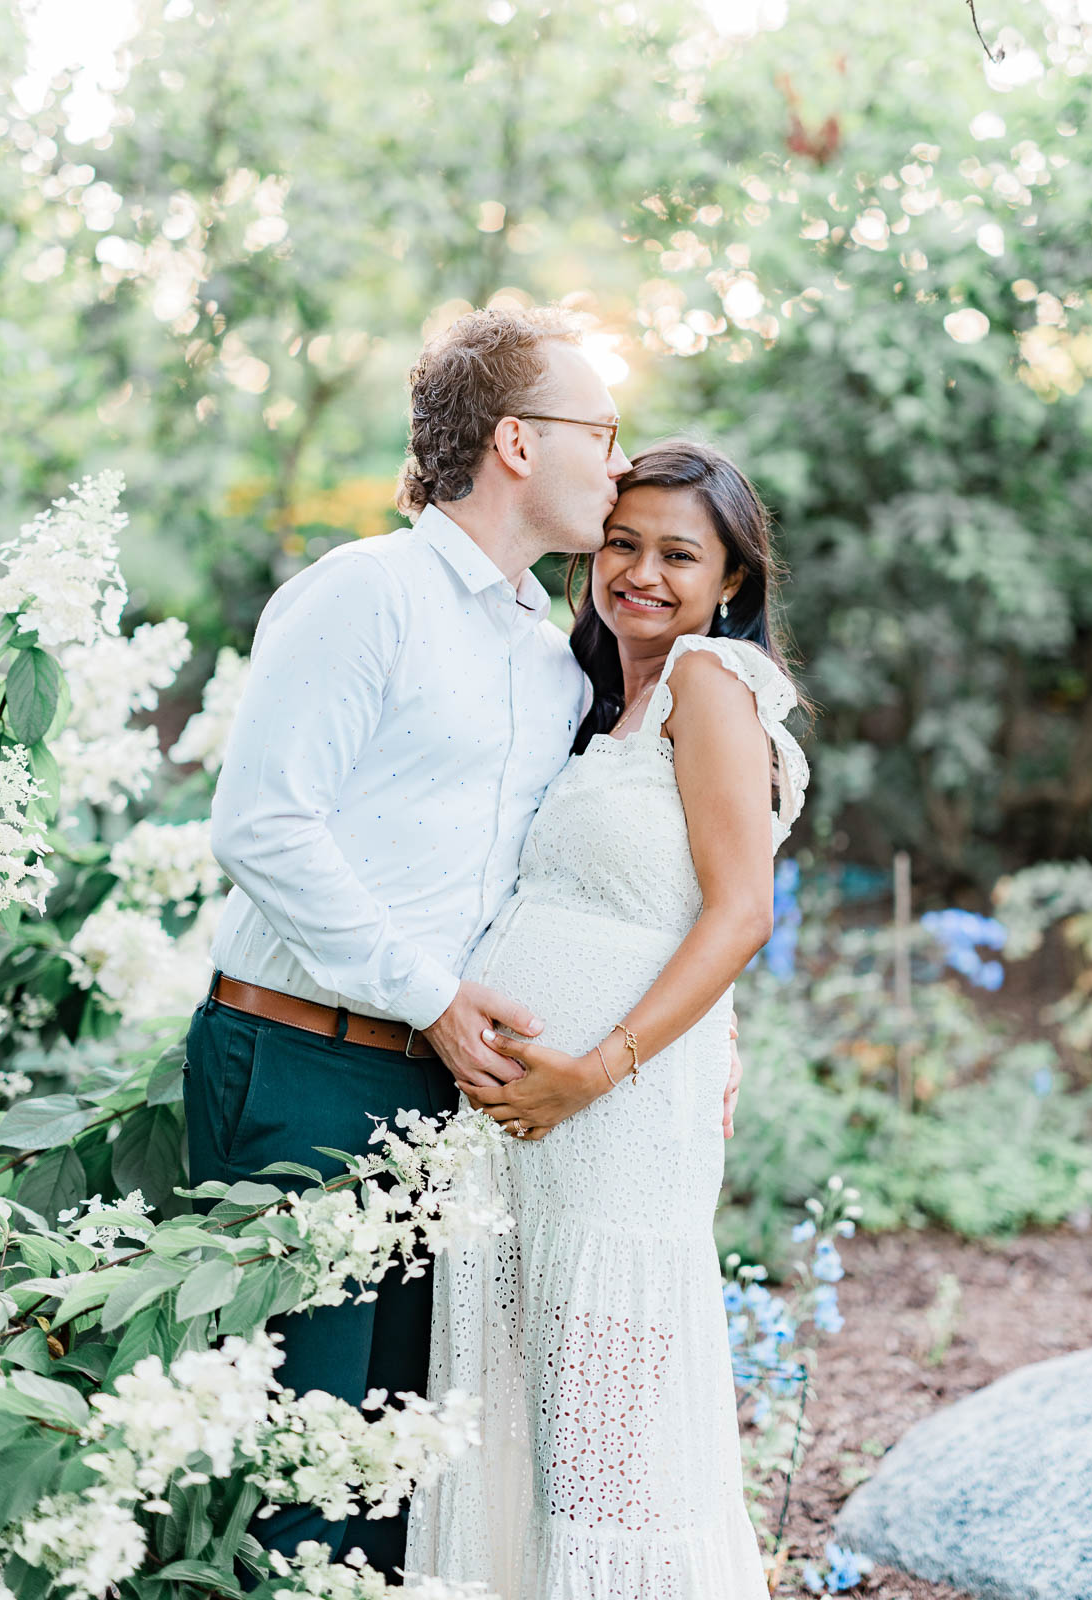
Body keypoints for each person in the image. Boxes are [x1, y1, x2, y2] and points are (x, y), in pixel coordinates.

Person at [181, 306, 742, 1578]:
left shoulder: (550, 662)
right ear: (514, 444)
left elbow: (630, 872)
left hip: (451, 1103)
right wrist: (432, 994)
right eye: (598, 433)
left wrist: (708, 1028)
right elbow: (263, 823)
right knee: (292, 1468)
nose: (615, 460)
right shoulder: (362, 593)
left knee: (398, 1473)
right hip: (299, 1064)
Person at [406, 440, 810, 1598]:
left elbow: (738, 915)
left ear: (730, 580)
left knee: (607, 1451)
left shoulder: (711, 685)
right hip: (530, 1122)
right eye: (620, 541)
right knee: (532, 1422)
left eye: (678, 553)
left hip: (614, 1118)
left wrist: (594, 1068)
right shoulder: (599, 702)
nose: (638, 570)